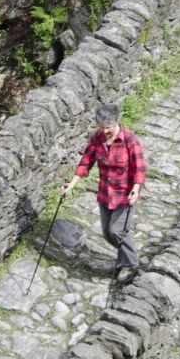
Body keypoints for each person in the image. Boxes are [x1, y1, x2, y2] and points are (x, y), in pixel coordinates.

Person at [61, 103, 146, 282]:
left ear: (116, 123)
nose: (105, 131)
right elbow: (86, 162)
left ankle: (131, 265)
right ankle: (123, 259)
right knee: (108, 233)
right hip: (105, 194)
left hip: (124, 194)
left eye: (108, 127)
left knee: (118, 231)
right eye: (101, 127)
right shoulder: (97, 139)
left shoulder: (130, 140)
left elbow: (140, 167)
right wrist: (72, 184)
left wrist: (136, 188)